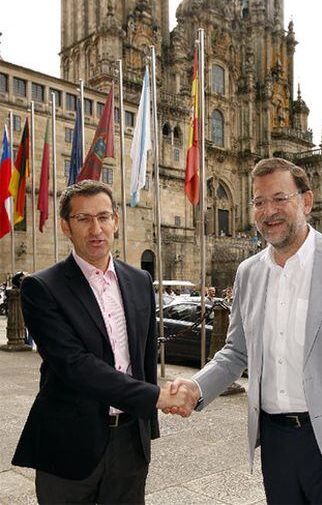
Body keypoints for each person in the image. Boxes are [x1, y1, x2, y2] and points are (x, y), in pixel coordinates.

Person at [166, 158, 322, 504]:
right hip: (276, 444)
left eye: (280, 198)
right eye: (259, 202)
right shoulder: (248, 273)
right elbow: (236, 352)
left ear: (306, 202)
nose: (270, 211)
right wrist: (195, 386)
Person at [12, 180, 196, 505]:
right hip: (68, 443)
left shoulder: (139, 280)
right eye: (83, 219)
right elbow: (75, 366)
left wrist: (146, 427)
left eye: (103, 217)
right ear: (66, 226)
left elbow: (144, 356)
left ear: (116, 221)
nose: (95, 228)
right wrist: (157, 397)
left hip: (129, 442)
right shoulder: (42, 288)